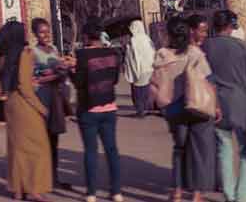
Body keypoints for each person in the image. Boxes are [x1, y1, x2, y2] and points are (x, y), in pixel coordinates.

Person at [153, 14, 214, 201]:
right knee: (197, 151)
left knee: (179, 149)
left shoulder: (162, 54)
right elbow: (207, 79)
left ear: (169, 34)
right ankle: (196, 194)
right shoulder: (194, 53)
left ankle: (177, 191)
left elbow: (154, 81)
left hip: (173, 110)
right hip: (195, 107)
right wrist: (216, 106)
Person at [204, 9, 246, 202]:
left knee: (224, 149)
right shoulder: (241, 46)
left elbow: (204, 76)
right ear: (230, 27)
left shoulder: (206, 46)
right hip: (241, 103)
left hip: (217, 104)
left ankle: (229, 194)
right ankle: (243, 195)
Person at [0, 20, 52, 201]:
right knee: (38, 147)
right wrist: (41, 107)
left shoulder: (2, 57)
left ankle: (18, 189)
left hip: (10, 103)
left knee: (17, 148)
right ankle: (34, 188)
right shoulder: (25, 53)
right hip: (24, 104)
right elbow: (25, 86)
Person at [73, 17, 124, 202]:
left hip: (89, 109)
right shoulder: (112, 53)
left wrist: (71, 71)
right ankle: (117, 191)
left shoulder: (82, 55)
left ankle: (91, 193)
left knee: (91, 151)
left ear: (86, 36)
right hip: (109, 107)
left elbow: (79, 83)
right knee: (112, 150)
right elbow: (115, 79)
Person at [31, 17, 74, 190]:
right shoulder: (33, 53)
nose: (46, 35)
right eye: (42, 32)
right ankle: (41, 178)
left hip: (56, 97)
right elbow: (34, 79)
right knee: (43, 141)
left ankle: (53, 177)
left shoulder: (54, 49)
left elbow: (58, 69)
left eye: (47, 31)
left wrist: (65, 67)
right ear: (35, 34)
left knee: (54, 139)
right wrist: (55, 74)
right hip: (42, 98)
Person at [124, 19, 156, 117]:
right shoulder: (147, 38)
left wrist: (131, 70)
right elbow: (153, 52)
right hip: (149, 68)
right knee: (145, 90)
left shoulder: (133, 41)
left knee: (137, 91)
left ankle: (140, 110)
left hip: (138, 69)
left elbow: (131, 57)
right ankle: (144, 108)